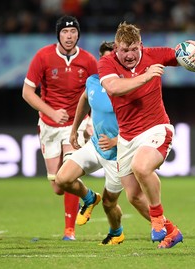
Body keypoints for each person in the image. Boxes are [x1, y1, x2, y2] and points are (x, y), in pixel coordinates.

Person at [98, 21, 195, 249]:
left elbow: (183, 51)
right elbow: (114, 88)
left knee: (141, 167)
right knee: (134, 197)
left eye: (133, 49)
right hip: (127, 136)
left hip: (156, 128)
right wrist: (147, 76)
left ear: (141, 45)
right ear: (116, 48)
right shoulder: (106, 62)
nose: (129, 55)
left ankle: (157, 217)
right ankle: (172, 231)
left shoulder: (154, 54)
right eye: (124, 50)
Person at [55, 41, 150, 245]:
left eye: (112, 58)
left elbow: (143, 121)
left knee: (109, 203)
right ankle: (89, 198)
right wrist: (74, 130)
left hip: (119, 154)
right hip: (95, 146)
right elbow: (84, 100)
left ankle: (117, 232)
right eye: (105, 59)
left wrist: (117, 140)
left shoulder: (127, 85)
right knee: (62, 179)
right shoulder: (93, 81)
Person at [22, 15, 98, 241]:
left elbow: (97, 94)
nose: (69, 36)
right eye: (65, 32)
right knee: (58, 185)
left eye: (73, 32)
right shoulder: (43, 57)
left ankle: (69, 231)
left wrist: (91, 122)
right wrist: (51, 112)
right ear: (58, 34)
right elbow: (27, 93)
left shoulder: (88, 60)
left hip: (75, 125)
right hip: (48, 125)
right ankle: (89, 196)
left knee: (67, 173)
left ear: (78, 35)